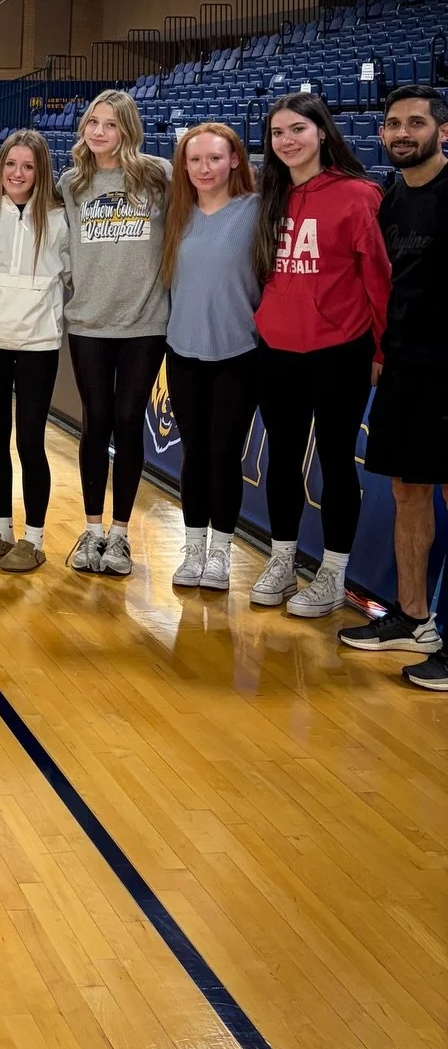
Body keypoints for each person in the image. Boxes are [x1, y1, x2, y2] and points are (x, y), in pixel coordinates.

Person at [250, 93, 390, 618]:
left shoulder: (358, 195)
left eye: (297, 130)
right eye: (278, 133)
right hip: (278, 351)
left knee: (335, 462)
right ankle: (282, 559)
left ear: (322, 132)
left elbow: (379, 278)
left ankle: (332, 573)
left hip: (340, 351)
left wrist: (380, 349)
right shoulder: (270, 195)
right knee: (282, 459)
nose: (287, 141)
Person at [339, 86, 448, 680]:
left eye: (416, 122)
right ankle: (412, 618)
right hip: (404, 367)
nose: (402, 132)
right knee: (410, 491)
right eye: (393, 124)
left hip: (446, 370)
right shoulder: (388, 200)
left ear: (443, 130)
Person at [57, 89, 169, 577]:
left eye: (109, 124)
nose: (98, 132)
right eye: (92, 123)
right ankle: (93, 528)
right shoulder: (72, 182)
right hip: (89, 322)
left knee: (128, 421)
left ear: (127, 129)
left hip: (144, 321)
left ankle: (121, 536)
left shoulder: (157, 176)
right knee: (95, 421)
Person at [0, 129, 70, 574]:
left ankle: (35, 538)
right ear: (0, 167)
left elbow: (68, 276)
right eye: (11, 164)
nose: (18, 174)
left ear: (41, 171)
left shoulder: (61, 219)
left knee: (29, 440)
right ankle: (2, 529)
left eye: (28, 166)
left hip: (37, 345)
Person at [161, 123, 261, 592]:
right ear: (183, 165)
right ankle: (194, 546)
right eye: (195, 160)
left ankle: (221, 552)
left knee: (224, 455)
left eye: (215, 159)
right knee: (195, 453)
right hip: (183, 352)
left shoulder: (257, 211)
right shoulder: (176, 214)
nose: (204, 168)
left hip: (238, 354)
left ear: (235, 160)